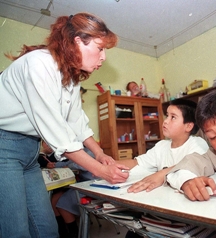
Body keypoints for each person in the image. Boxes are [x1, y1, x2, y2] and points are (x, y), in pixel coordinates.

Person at [0, 13, 129, 238]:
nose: (104, 57)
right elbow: (58, 134)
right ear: (78, 41)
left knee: (46, 228)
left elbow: (76, 122)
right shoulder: (39, 64)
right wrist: (101, 171)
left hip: (29, 152)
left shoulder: (69, 78)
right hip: (4, 148)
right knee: (15, 230)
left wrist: (100, 154)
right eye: (100, 48)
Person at [118, 98, 209, 193]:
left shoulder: (198, 143)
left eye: (173, 117)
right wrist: (109, 165)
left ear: (188, 126)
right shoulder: (161, 145)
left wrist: (162, 174)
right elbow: (137, 162)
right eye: (167, 116)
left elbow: (193, 164)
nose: (165, 121)